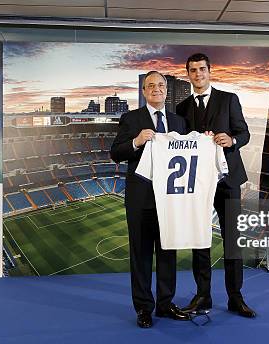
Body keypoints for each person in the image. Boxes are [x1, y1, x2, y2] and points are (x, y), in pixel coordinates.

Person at [176, 53, 255, 318]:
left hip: (228, 179)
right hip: (197, 182)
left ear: (210, 71)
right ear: (188, 74)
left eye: (202, 69)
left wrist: (232, 140)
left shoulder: (229, 99)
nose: (197, 74)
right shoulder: (182, 108)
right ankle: (203, 296)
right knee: (200, 240)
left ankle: (236, 297)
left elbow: (244, 132)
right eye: (192, 70)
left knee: (232, 241)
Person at [110, 71, 189, 328]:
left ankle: (165, 305)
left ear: (166, 90)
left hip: (170, 201)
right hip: (140, 199)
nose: (156, 89)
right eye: (151, 85)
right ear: (144, 91)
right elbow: (115, 153)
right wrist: (135, 141)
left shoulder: (180, 123)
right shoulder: (131, 118)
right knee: (141, 256)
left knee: (168, 254)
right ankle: (144, 308)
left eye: (161, 85)